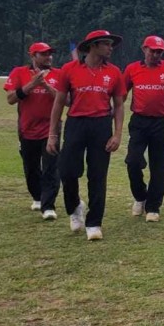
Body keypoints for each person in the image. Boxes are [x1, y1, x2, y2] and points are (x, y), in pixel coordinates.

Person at [47, 30, 126, 241]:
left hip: (101, 125)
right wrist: (52, 134)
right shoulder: (69, 70)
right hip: (76, 124)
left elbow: (118, 106)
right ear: (93, 45)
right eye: (107, 44)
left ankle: (94, 222)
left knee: (98, 175)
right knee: (67, 171)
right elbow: (58, 102)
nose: (111, 48)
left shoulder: (114, 72)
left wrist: (117, 134)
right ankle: (74, 207)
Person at [123, 35, 164, 222]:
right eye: (153, 51)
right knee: (133, 161)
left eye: (160, 52)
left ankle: (153, 206)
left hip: (161, 122)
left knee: (159, 166)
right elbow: (120, 93)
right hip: (139, 122)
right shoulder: (132, 69)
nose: (156, 55)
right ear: (144, 49)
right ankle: (140, 196)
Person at [4, 42, 62, 220]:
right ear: (33, 56)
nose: (48, 57)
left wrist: (44, 84)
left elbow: (64, 99)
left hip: (51, 130)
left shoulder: (58, 74)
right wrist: (31, 85)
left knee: (51, 167)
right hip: (27, 129)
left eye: (50, 54)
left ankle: (48, 206)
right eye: (44, 54)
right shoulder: (19, 72)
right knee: (31, 168)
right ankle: (37, 196)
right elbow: (11, 99)